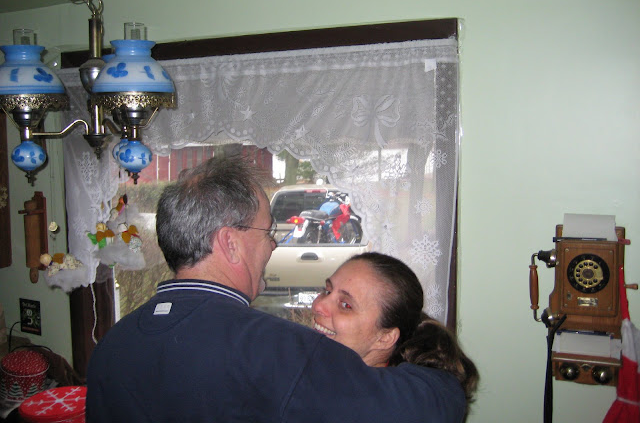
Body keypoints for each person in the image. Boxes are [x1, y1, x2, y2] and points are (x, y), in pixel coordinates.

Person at [86, 157, 467, 423]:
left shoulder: (113, 346)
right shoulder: (273, 350)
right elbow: (432, 407)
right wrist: (435, 351)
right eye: (267, 231)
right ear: (230, 243)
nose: (272, 245)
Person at [312, 252, 478, 412]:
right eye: (327, 291)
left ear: (384, 338)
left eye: (346, 305)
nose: (318, 305)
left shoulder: (382, 406)